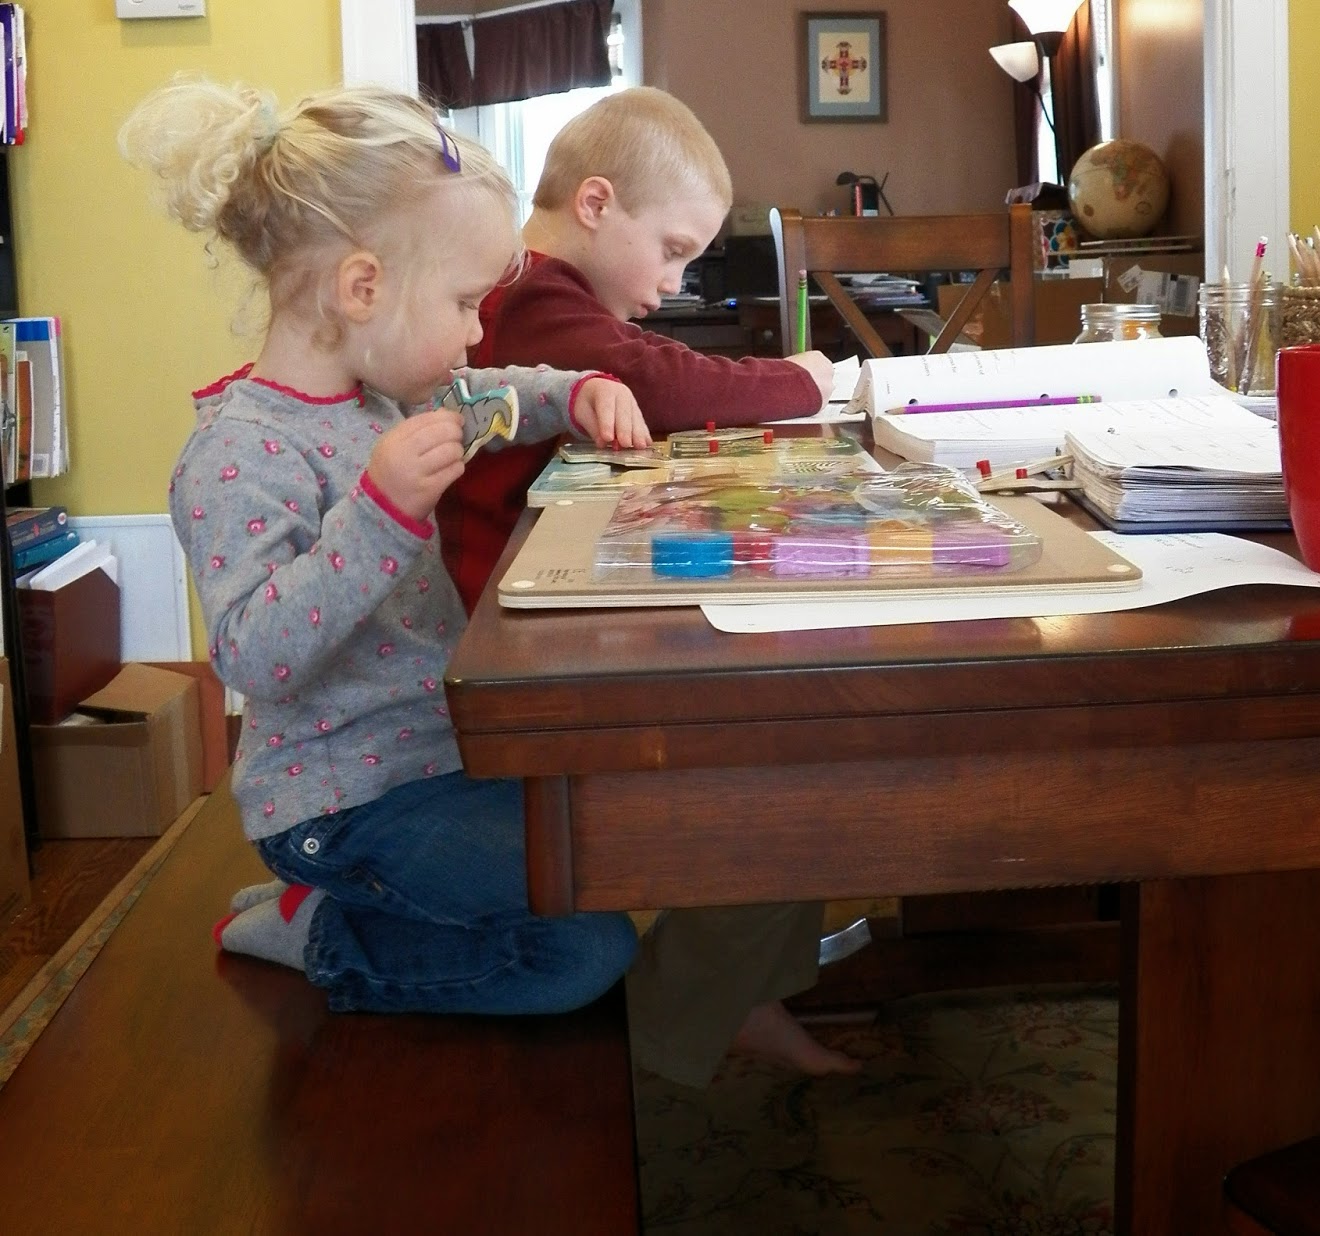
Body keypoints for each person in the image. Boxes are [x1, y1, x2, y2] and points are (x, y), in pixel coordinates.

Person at [122, 77, 855, 1087]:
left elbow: (498, 392)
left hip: (442, 757)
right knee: (585, 951)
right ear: (363, 289)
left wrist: (580, 388)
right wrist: (377, 516)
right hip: (339, 808)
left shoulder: (390, 393)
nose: (478, 334)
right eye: (464, 305)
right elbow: (254, 656)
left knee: (634, 839)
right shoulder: (238, 452)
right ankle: (322, 930)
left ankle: (723, 997)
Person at [437, 86, 836, 613]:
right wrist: (797, 381)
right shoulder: (528, 294)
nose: (675, 283)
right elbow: (657, 380)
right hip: (496, 601)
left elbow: (645, 357)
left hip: (531, 569)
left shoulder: (547, 292)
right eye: (673, 251)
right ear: (595, 204)